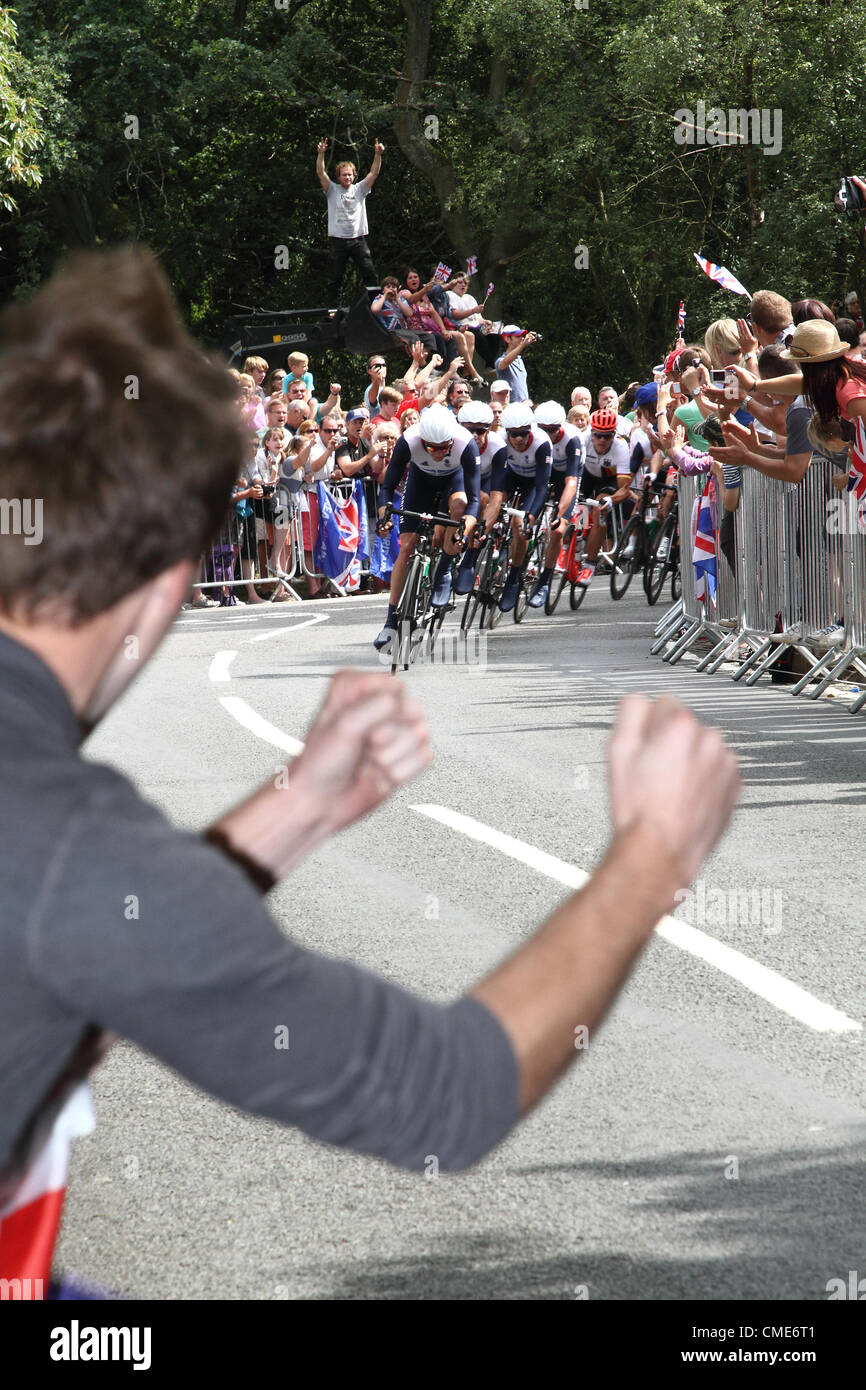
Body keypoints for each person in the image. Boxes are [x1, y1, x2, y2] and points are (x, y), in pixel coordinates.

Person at [0, 248, 742, 1303]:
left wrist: (292, 807)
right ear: (170, 576)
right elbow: (443, 1093)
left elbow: (81, 955)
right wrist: (648, 857)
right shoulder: (71, 840)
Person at [373, 404, 481, 649]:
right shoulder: (408, 440)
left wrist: (464, 531)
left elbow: (475, 500)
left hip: (453, 483)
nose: (438, 453)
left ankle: (444, 567)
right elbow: (387, 488)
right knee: (406, 547)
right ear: (423, 439)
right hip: (420, 482)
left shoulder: (465, 442)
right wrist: (384, 517)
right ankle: (390, 621)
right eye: (431, 447)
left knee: (460, 505)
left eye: (444, 448)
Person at [484, 400, 552, 611]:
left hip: (533, 483)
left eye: (523, 433)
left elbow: (542, 487)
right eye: (514, 434)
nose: (519, 439)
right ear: (507, 432)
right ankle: (487, 546)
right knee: (491, 503)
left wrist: (531, 517)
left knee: (518, 524)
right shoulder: (500, 439)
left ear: (531, 429)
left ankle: (513, 578)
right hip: (511, 477)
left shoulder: (542, 442)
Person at [316, 136, 384, 311]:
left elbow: (374, 173)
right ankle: (333, 310)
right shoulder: (332, 189)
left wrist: (378, 155)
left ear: (354, 176)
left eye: (350, 174)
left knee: (369, 273)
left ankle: (376, 306)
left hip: (357, 239)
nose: (347, 177)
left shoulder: (360, 189)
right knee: (335, 276)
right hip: (338, 240)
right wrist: (321, 154)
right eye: (344, 174)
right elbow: (320, 173)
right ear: (339, 177)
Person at [528, 401, 584, 608]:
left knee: (558, 530)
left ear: (560, 427)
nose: (548, 435)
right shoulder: (532, 436)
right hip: (542, 471)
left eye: (552, 430)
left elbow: (571, 482)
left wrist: (560, 513)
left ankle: (545, 580)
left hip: (566, 475)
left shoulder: (572, 439)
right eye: (543, 430)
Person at [495, 326, 538, 403]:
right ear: (507, 339)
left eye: (522, 336)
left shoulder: (520, 360)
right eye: (518, 336)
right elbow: (503, 364)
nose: (522, 338)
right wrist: (523, 345)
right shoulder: (500, 360)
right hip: (509, 407)